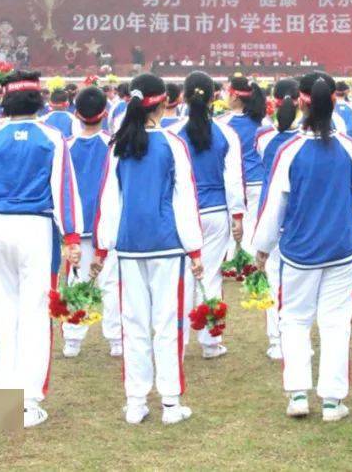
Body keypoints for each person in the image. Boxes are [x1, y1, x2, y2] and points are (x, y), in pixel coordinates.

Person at [0, 69, 84, 429]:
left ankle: (5, 395)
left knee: (3, 310)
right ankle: (27, 400)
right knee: (35, 312)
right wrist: (72, 236)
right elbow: (65, 191)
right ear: (38, 100)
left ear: (6, 100)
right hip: (36, 228)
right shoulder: (52, 138)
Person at [253, 71, 352, 423]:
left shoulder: (289, 150)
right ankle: (332, 400)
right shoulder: (350, 150)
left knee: (293, 320)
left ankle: (298, 394)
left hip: (299, 252)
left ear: (300, 101)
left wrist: (261, 247)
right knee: (336, 322)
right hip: (342, 249)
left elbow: (273, 205)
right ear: (335, 101)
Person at [91, 73, 203, 426]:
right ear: (164, 103)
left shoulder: (118, 145)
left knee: (133, 324)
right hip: (167, 244)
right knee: (168, 323)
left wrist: (103, 246)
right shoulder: (172, 144)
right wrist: (195, 249)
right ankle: (170, 402)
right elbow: (185, 200)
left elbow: (109, 201)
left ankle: (136, 402)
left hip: (129, 245)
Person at [167, 71, 245, 359]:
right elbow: (234, 180)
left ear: (184, 97)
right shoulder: (227, 134)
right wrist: (237, 216)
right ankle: (211, 341)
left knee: (182, 278)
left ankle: (179, 340)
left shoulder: (172, 134)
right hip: (216, 212)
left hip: (182, 213)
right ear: (214, 98)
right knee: (210, 276)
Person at [60, 87, 121, 359]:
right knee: (111, 284)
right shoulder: (114, 145)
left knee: (76, 281)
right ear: (105, 114)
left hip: (77, 227)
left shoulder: (65, 146)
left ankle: (73, 339)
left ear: (76, 114)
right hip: (106, 226)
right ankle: (116, 339)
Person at [254, 77, 301, 361]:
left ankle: (276, 339)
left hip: (270, 210)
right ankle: (294, 334)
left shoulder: (263, 135)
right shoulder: (306, 137)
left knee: (273, 277)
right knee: (297, 278)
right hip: (298, 214)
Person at [221, 74, 268, 249]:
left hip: (234, 181)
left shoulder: (223, 123)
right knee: (252, 225)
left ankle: (234, 264)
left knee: (233, 226)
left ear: (234, 96)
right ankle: (250, 265)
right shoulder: (262, 122)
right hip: (257, 180)